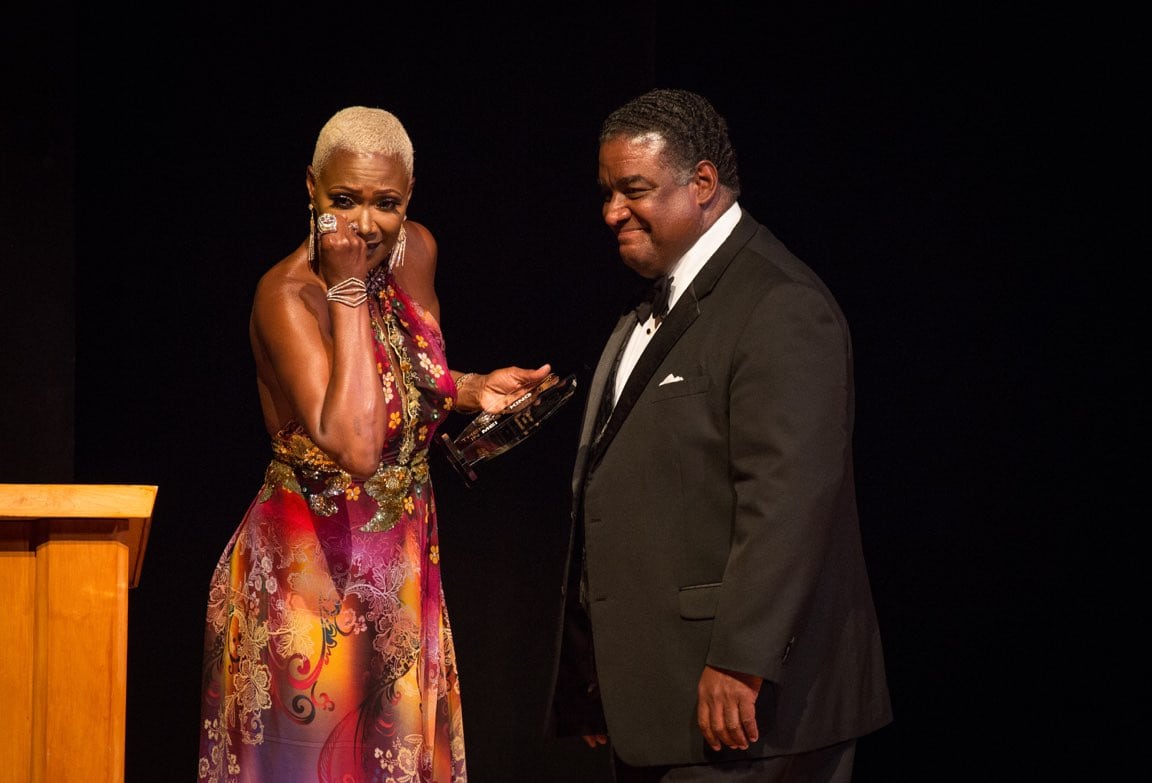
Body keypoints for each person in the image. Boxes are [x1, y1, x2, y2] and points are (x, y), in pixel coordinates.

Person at [546, 88, 892, 781]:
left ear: (702, 183)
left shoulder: (778, 304)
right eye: (607, 193)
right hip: (661, 700)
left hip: (748, 712)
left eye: (633, 190)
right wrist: (596, 673)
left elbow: (788, 503)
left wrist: (741, 659)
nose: (612, 211)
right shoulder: (653, 305)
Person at [197, 105, 551, 782]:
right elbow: (357, 446)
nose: (364, 225)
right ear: (311, 188)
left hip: (400, 571)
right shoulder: (289, 296)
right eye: (344, 200)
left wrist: (468, 387)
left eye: (385, 203)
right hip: (310, 583)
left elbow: (402, 373)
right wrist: (348, 291)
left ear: (409, 195)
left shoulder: (416, 251)